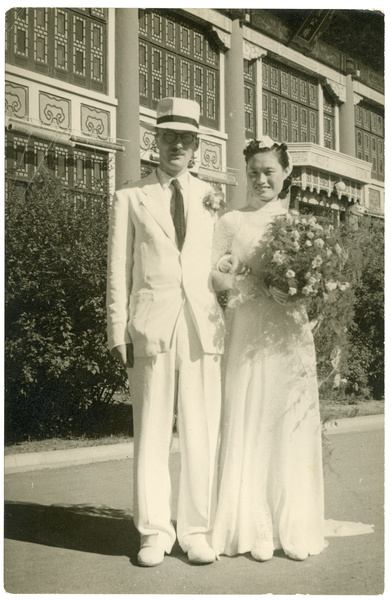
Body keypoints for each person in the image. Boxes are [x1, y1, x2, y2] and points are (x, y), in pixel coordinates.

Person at [106, 97, 225, 567]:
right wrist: (118, 329)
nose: (177, 144)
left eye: (186, 138)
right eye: (168, 136)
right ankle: (154, 533)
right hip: (151, 327)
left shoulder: (211, 196)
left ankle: (196, 531)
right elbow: (118, 269)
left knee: (202, 431)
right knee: (151, 432)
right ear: (153, 141)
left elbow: (220, 266)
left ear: (196, 145)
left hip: (202, 327)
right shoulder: (130, 197)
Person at [211, 136, 327, 562]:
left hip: (289, 332)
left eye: (269, 172)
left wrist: (302, 293)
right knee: (252, 417)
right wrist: (233, 274)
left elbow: (316, 281)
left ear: (286, 174)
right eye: (254, 172)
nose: (261, 180)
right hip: (248, 328)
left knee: (288, 419)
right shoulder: (230, 222)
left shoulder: (298, 224)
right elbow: (214, 278)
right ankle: (255, 525)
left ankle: (292, 523)